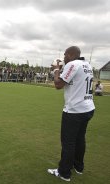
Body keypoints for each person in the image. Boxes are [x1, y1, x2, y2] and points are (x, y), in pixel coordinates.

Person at [47, 46, 95, 182]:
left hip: (74, 110)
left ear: (70, 54)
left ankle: (64, 172)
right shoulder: (87, 64)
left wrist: (56, 70)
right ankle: (79, 167)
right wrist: (59, 70)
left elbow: (58, 84)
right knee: (80, 139)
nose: (63, 57)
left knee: (68, 142)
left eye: (64, 55)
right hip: (88, 108)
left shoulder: (73, 64)